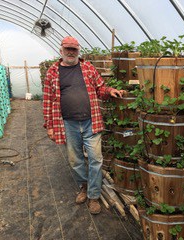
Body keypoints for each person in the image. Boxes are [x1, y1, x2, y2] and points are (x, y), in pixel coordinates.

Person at [42, 36, 124, 214]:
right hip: (68, 123)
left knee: (96, 159)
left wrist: (111, 91)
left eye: (74, 49)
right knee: (75, 160)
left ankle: (93, 197)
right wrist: (49, 125)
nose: (71, 52)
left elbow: (100, 88)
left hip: (90, 121)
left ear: (79, 50)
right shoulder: (52, 72)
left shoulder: (87, 67)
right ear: (61, 50)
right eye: (68, 49)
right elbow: (48, 100)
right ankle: (84, 186)